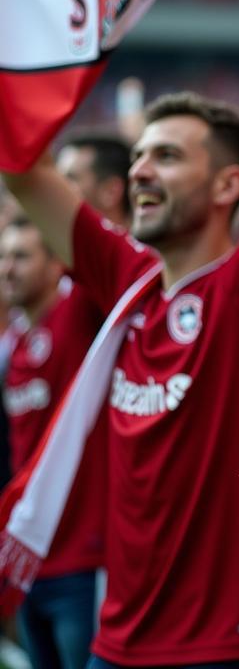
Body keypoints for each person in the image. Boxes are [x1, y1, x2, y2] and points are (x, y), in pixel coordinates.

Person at [1, 92, 239, 669]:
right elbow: (22, 170)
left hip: (227, 645)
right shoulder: (129, 280)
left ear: (227, 185)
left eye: (166, 156)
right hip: (116, 645)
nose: (139, 169)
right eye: (139, 155)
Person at [0, 216, 106, 669]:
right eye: (3, 257)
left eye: (21, 256)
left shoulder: (77, 316)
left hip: (82, 561)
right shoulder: (15, 344)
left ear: (57, 262)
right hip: (29, 562)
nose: (8, 268)